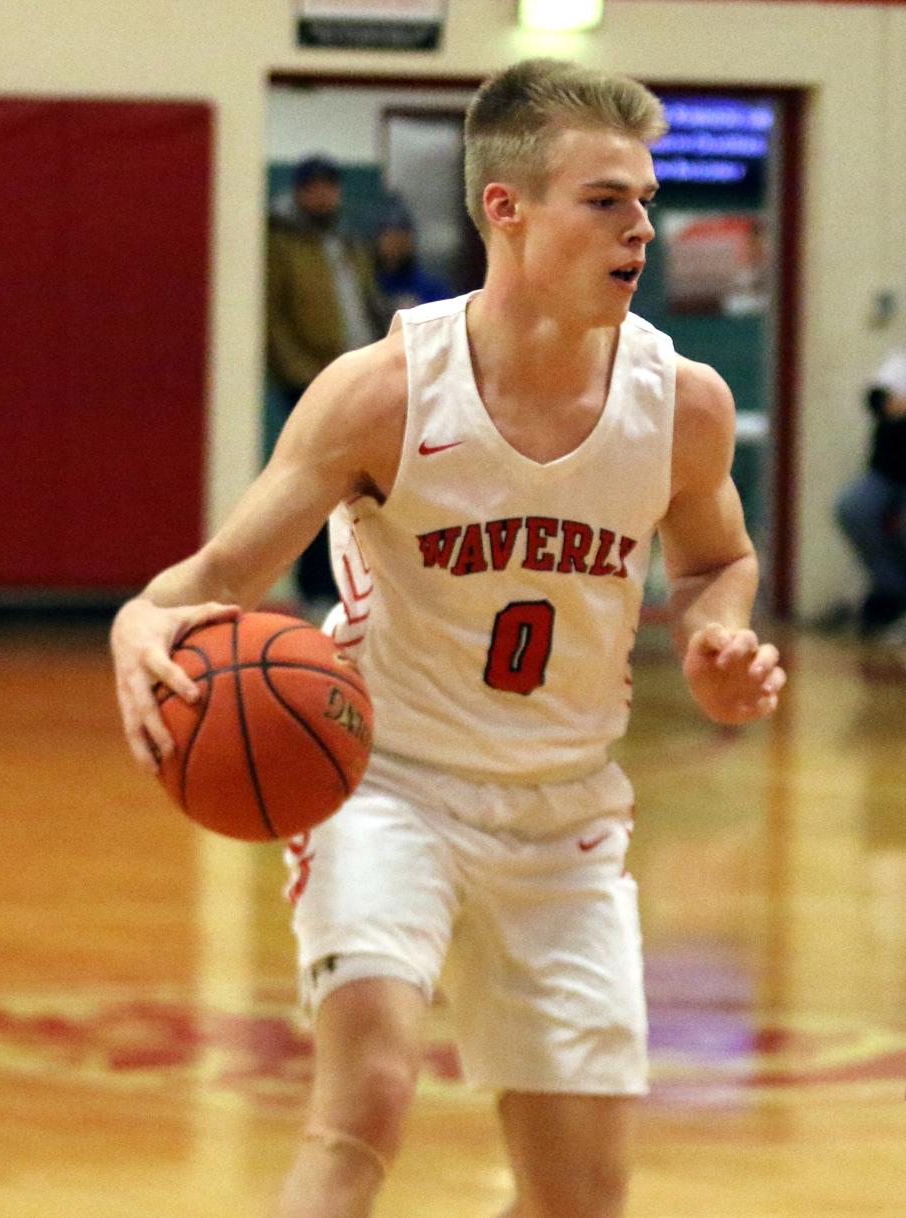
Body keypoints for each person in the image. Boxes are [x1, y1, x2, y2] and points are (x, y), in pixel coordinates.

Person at [112, 59, 786, 1218]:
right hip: (387, 784)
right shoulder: (382, 394)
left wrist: (722, 638)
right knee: (366, 1097)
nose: (641, 226)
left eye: (646, 197)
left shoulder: (685, 404)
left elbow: (717, 559)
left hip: (566, 808)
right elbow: (214, 577)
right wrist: (139, 617)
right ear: (504, 209)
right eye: (605, 200)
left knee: (579, 1200)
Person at [266, 154, 381, 616]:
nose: (323, 194)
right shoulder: (280, 243)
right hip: (312, 380)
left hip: (363, 379)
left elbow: (368, 303)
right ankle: (315, 592)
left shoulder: (348, 240)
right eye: (313, 186)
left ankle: (356, 590)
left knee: (361, 487)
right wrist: (299, 376)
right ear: (298, 191)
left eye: (330, 186)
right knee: (314, 486)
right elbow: (273, 318)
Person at [835, 346, 906, 641]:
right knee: (853, 508)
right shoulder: (898, 363)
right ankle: (892, 590)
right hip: (887, 473)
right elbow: (878, 401)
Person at [372, 191, 451, 319]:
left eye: (402, 237)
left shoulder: (430, 289)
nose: (396, 244)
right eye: (390, 237)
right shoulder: (368, 285)